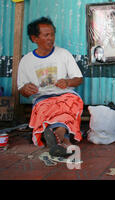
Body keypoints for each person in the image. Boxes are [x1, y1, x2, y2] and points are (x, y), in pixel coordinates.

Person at [17, 17, 84, 157]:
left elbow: (79, 79)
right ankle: (63, 139)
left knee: (71, 104)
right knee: (45, 109)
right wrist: (26, 89)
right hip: (43, 98)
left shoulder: (63, 54)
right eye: (46, 35)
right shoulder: (26, 61)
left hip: (65, 95)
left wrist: (67, 82)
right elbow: (21, 90)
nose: (51, 38)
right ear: (34, 38)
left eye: (52, 34)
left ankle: (56, 137)